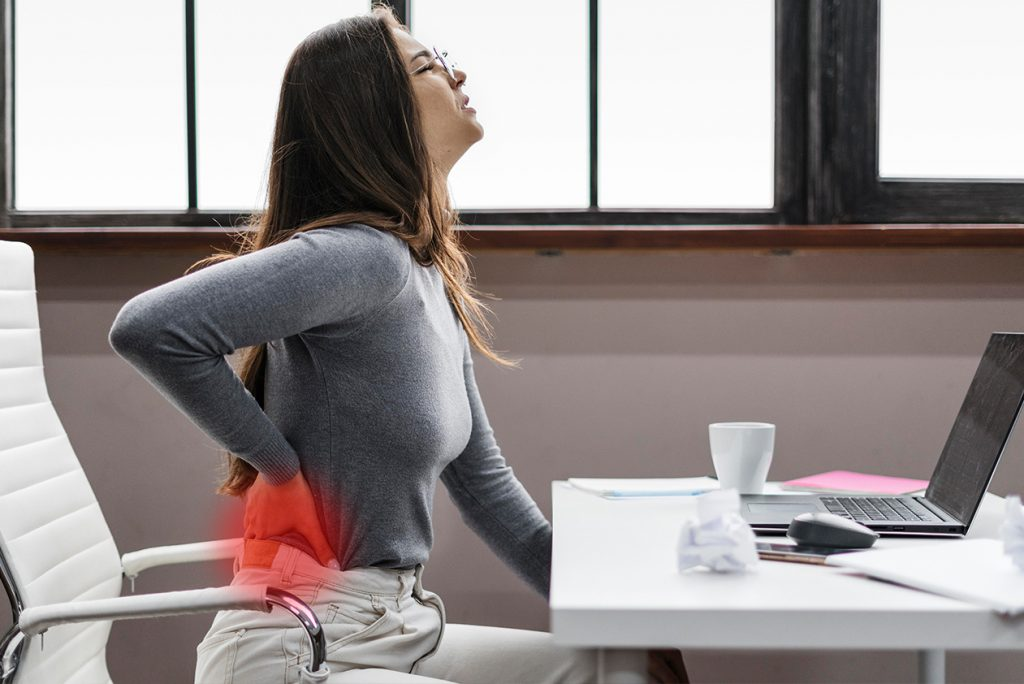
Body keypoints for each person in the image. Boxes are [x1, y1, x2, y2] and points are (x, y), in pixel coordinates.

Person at [108, 5, 688, 683]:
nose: (457, 71)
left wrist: (615, 614)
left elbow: (486, 486)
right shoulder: (361, 258)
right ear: (376, 115)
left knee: (634, 668)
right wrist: (279, 465)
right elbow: (150, 329)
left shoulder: (420, 275)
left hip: (396, 623)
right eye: (428, 65)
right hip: (294, 645)